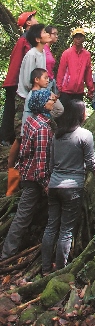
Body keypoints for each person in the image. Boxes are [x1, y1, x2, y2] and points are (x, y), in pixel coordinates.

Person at [41, 100, 95, 274]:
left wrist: (50, 181)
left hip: (54, 186)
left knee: (51, 227)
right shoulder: (84, 135)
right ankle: (60, 272)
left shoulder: (57, 135)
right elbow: (92, 164)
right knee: (66, 230)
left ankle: (45, 268)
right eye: (84, 111)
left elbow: (51, 164)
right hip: (72, 188)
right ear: (79, 114)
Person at [1, 88, 54, 259]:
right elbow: (41, 164)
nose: (53, 101)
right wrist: (47, 186)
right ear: (42, 104)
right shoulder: (43, 128)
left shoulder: (31, 121)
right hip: (34, 179)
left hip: (26, 173)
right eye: (50, 100)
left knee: (25, 215)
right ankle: (7, 254)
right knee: (22, 216)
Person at [6, 24, 53, 196]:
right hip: (25, 99)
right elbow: (27, 82)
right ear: (38, 38)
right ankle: (11, 179)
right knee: (21, 137)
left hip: (36, 99)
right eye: (44, 32)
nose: (48, 34)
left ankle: (30, 176)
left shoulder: (42, 53)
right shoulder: (31, 54)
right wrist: (38, 95)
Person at [0, 10, 37, 145]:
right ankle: (5, 137)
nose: (36, 20)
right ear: (28, 23)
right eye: (33, 18)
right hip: (15, 81)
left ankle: (8, 137)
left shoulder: (26, 39)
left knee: (13, 108)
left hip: (16, 80)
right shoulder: (25, 40)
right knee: (12, 109)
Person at [56, 28, 94, 105]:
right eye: (76, 37)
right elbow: (61, 71)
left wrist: (91, 89)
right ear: (73, 39)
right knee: (64, 111)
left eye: (80, 36)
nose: (78, 39)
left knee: (77, 112)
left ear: (83, 39)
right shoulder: (67, 53)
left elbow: (88, 73)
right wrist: (59, 88)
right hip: (66, 91)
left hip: (79, 91)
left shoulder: (87, 55)